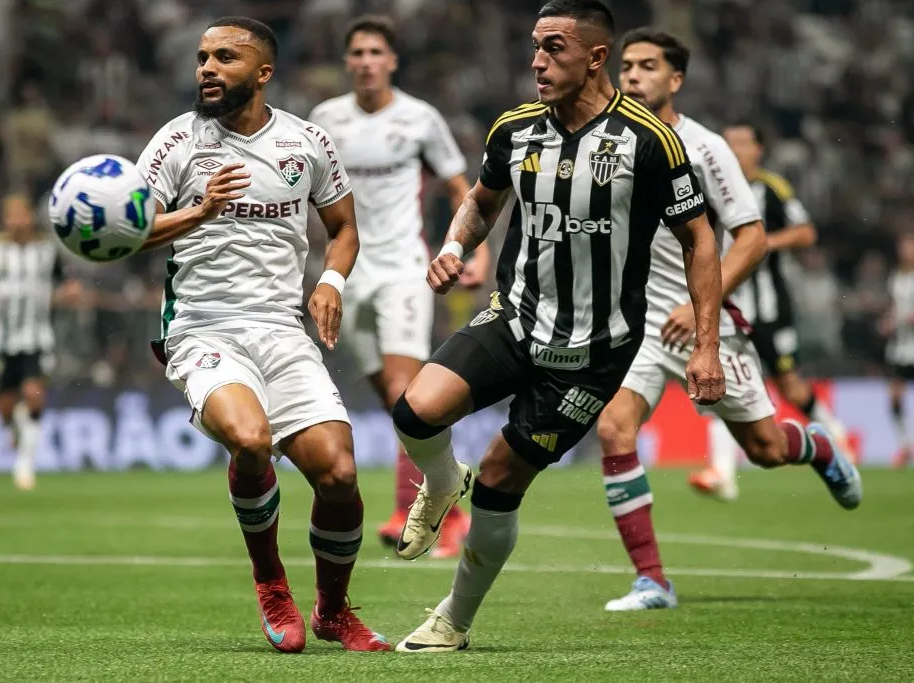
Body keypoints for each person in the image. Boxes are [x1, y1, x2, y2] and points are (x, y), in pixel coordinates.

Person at [393, 0, 727, 653]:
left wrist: (707, 344)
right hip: (515, 317)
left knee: (498, 478)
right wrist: (456, 245)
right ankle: (438, 483)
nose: (537, 62)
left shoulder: (649, 141)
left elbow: (700, 241)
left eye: (554, 49)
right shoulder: (515, 129)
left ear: (596, 57)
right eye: (536, 47)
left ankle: (453, 619)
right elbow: (482, 201)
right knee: (414, 411)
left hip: (592, 350)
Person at [134, 17, 389, 653]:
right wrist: (198, 212)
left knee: (337, 475)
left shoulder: (307, 143)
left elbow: (345, 227)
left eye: (224, 57)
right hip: (202, 326)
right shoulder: (176, 143)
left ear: (263, 73)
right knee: (250, 439)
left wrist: (329, 280)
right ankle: (272, 583)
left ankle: (333, 610)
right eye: (201, 58)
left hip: (282, 329)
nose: (207, 69)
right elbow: (127, 232)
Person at [590, 28, 863, 612]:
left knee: (764, 449)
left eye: (647, 66)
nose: (633, 75)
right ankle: (653, 582)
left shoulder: (706, 147)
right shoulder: (608, 139)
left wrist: (698, 305)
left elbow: (752, 237)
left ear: (676, 79)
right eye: (627, 65)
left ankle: (814, 447)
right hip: (634, 325)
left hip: (704, 324)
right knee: (614, 428)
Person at [308, 15, 488, 558]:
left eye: (376, 52)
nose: (366, 61)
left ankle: (424, 512)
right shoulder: (324, 119)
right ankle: (446, 494)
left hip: (403, 268)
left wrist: (469, 252)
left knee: (406, 392)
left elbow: (464, 189)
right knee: (391, 396)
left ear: (392, 62)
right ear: (348, 62)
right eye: (357, 52)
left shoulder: (419, 119)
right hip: (347, 272)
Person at [690, 121, 858, 498]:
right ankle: (721, 472)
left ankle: (837, 439)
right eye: (727, 143)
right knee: (720, 381)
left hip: (768, 309)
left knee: (791, 387)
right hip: (727, 305)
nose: (733, 150)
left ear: (758, 150)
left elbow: (806, 233)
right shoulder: (705, 186)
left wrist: (761, 242)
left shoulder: (773, 189)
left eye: (742, 143)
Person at [0, 194, 80, 490]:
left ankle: (25, 465)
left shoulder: (47, 250)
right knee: (4, 406)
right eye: (11, 216)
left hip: (38, 337)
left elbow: (67, 282)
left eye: (22, 215)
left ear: (30, 217)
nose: (17, 222)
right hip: (1, 340)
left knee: (33, 394)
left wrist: (69, 292)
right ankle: (13, 424)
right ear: (5, 219)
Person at [882, 233, 914, 468]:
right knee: (895, 396)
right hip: (902, 348)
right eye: (903, 247)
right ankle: (904, 446)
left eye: (910, 247)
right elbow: (894, 309)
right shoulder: (896, 279)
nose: (906, 252)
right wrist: (889, 322)